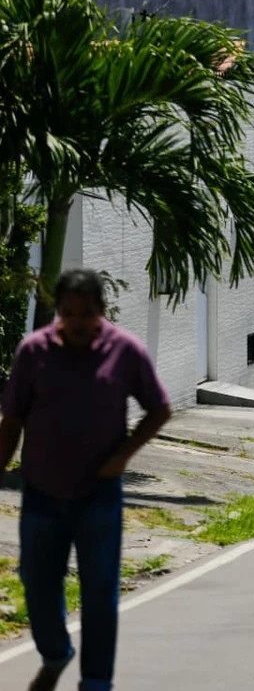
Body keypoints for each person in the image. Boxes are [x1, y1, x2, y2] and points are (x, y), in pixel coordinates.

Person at [0, 269, 172, 691]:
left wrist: (121, 458)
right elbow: (13, 419)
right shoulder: (33, 352)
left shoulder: (124, 351)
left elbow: (159, 409)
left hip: (98, 494)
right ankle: (56, 652)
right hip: (42, 492)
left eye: (87, 313)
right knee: (38, 586)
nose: (78, 322)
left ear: (102, 311)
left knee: (99, 594)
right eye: (69, 313)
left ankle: (96, 682)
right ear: (58, 311)